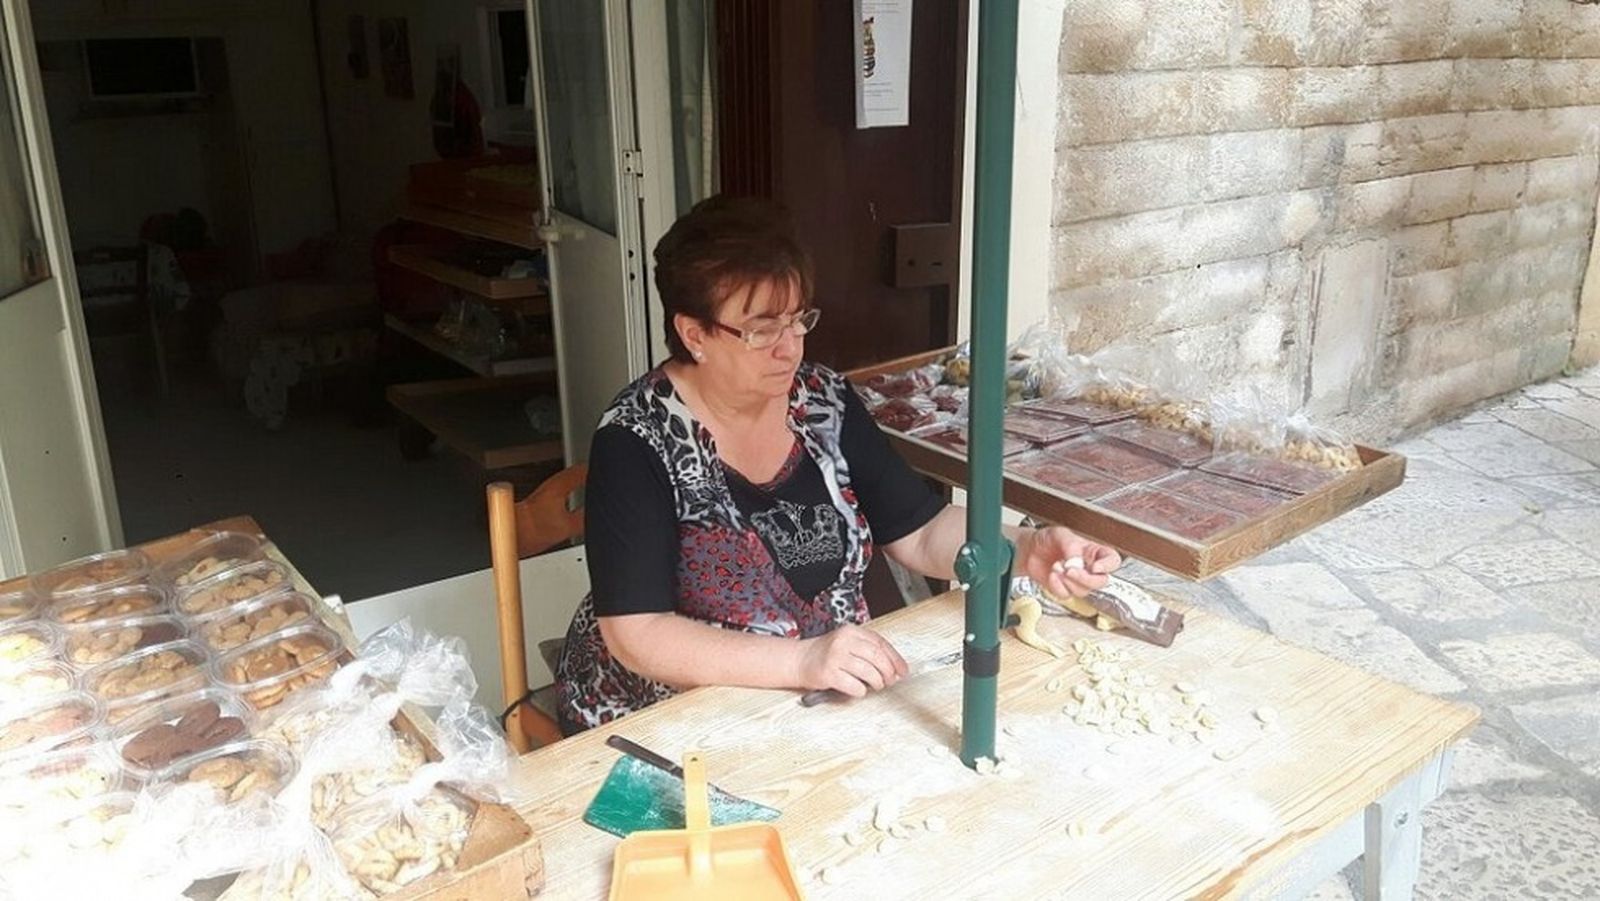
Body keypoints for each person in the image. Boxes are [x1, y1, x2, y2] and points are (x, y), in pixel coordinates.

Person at [553, 196, 1121, 733]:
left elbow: (919, 532)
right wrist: (802, 662)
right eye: (761, 330)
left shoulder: (821, 400)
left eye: (798, 320)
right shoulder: (636, 439)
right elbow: (638, 634)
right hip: (670, 716)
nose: (790, 348)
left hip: (821, 701)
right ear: (694, 333)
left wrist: (1023, 548)